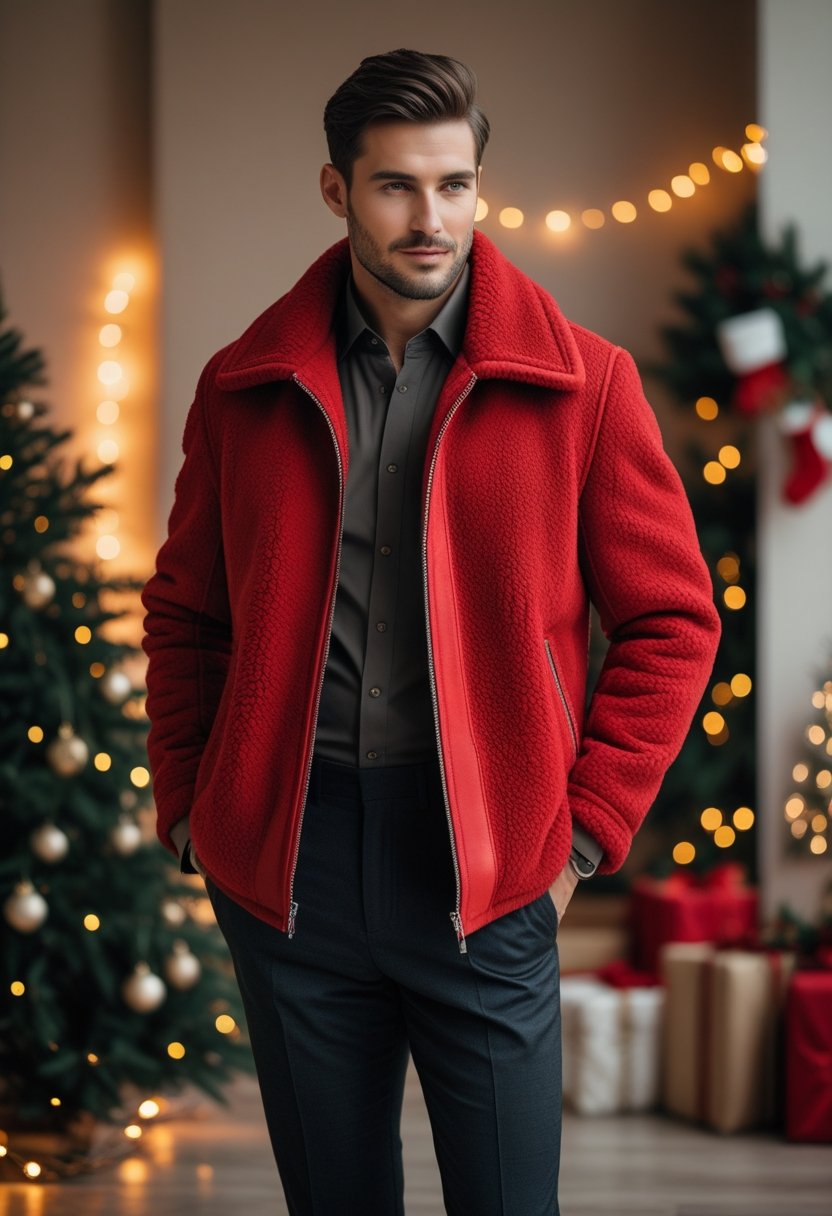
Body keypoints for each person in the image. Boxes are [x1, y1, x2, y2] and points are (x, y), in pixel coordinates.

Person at [141, 48, 720, 1216]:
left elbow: (671, 621)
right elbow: (186, 614)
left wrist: (581, 838)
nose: (430, 217)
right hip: (289, 870)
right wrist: (195, 810)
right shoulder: (240, 388)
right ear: (335, 189)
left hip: (489, 865)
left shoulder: (586, 385)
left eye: (454, 184)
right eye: (397, 185)